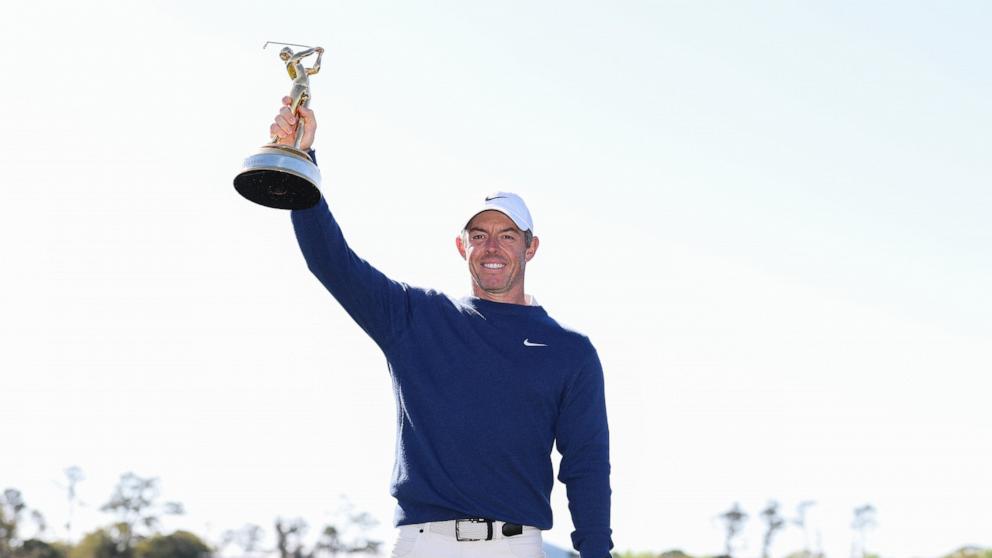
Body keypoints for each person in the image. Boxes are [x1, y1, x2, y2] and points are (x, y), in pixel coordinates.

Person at [269, 97, 613, 558]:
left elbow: (586, 466)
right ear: (461, 246)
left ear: (530, 248)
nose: (492, 247)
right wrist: (301, 161)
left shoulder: (570, 351)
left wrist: (597, 552)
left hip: (516, 547)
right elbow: (331, 261)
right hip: (422, 544)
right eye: (479, 235)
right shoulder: (413, 317)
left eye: (507, 235)